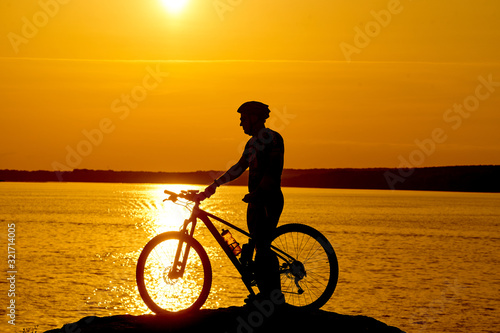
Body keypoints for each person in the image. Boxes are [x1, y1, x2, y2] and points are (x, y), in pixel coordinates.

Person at [199, 101, 284, 301]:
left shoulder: (273, 139)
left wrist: (261, 192)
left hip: (269, 199)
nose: (241, 124)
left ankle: (274, 297)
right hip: (254, 201)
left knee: (263, 246)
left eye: (243, 119)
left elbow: (274, 169)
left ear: (255, 118)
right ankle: (265, 295)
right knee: (256, 247)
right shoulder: (251, 144)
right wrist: (215, 185)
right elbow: (239, 168)